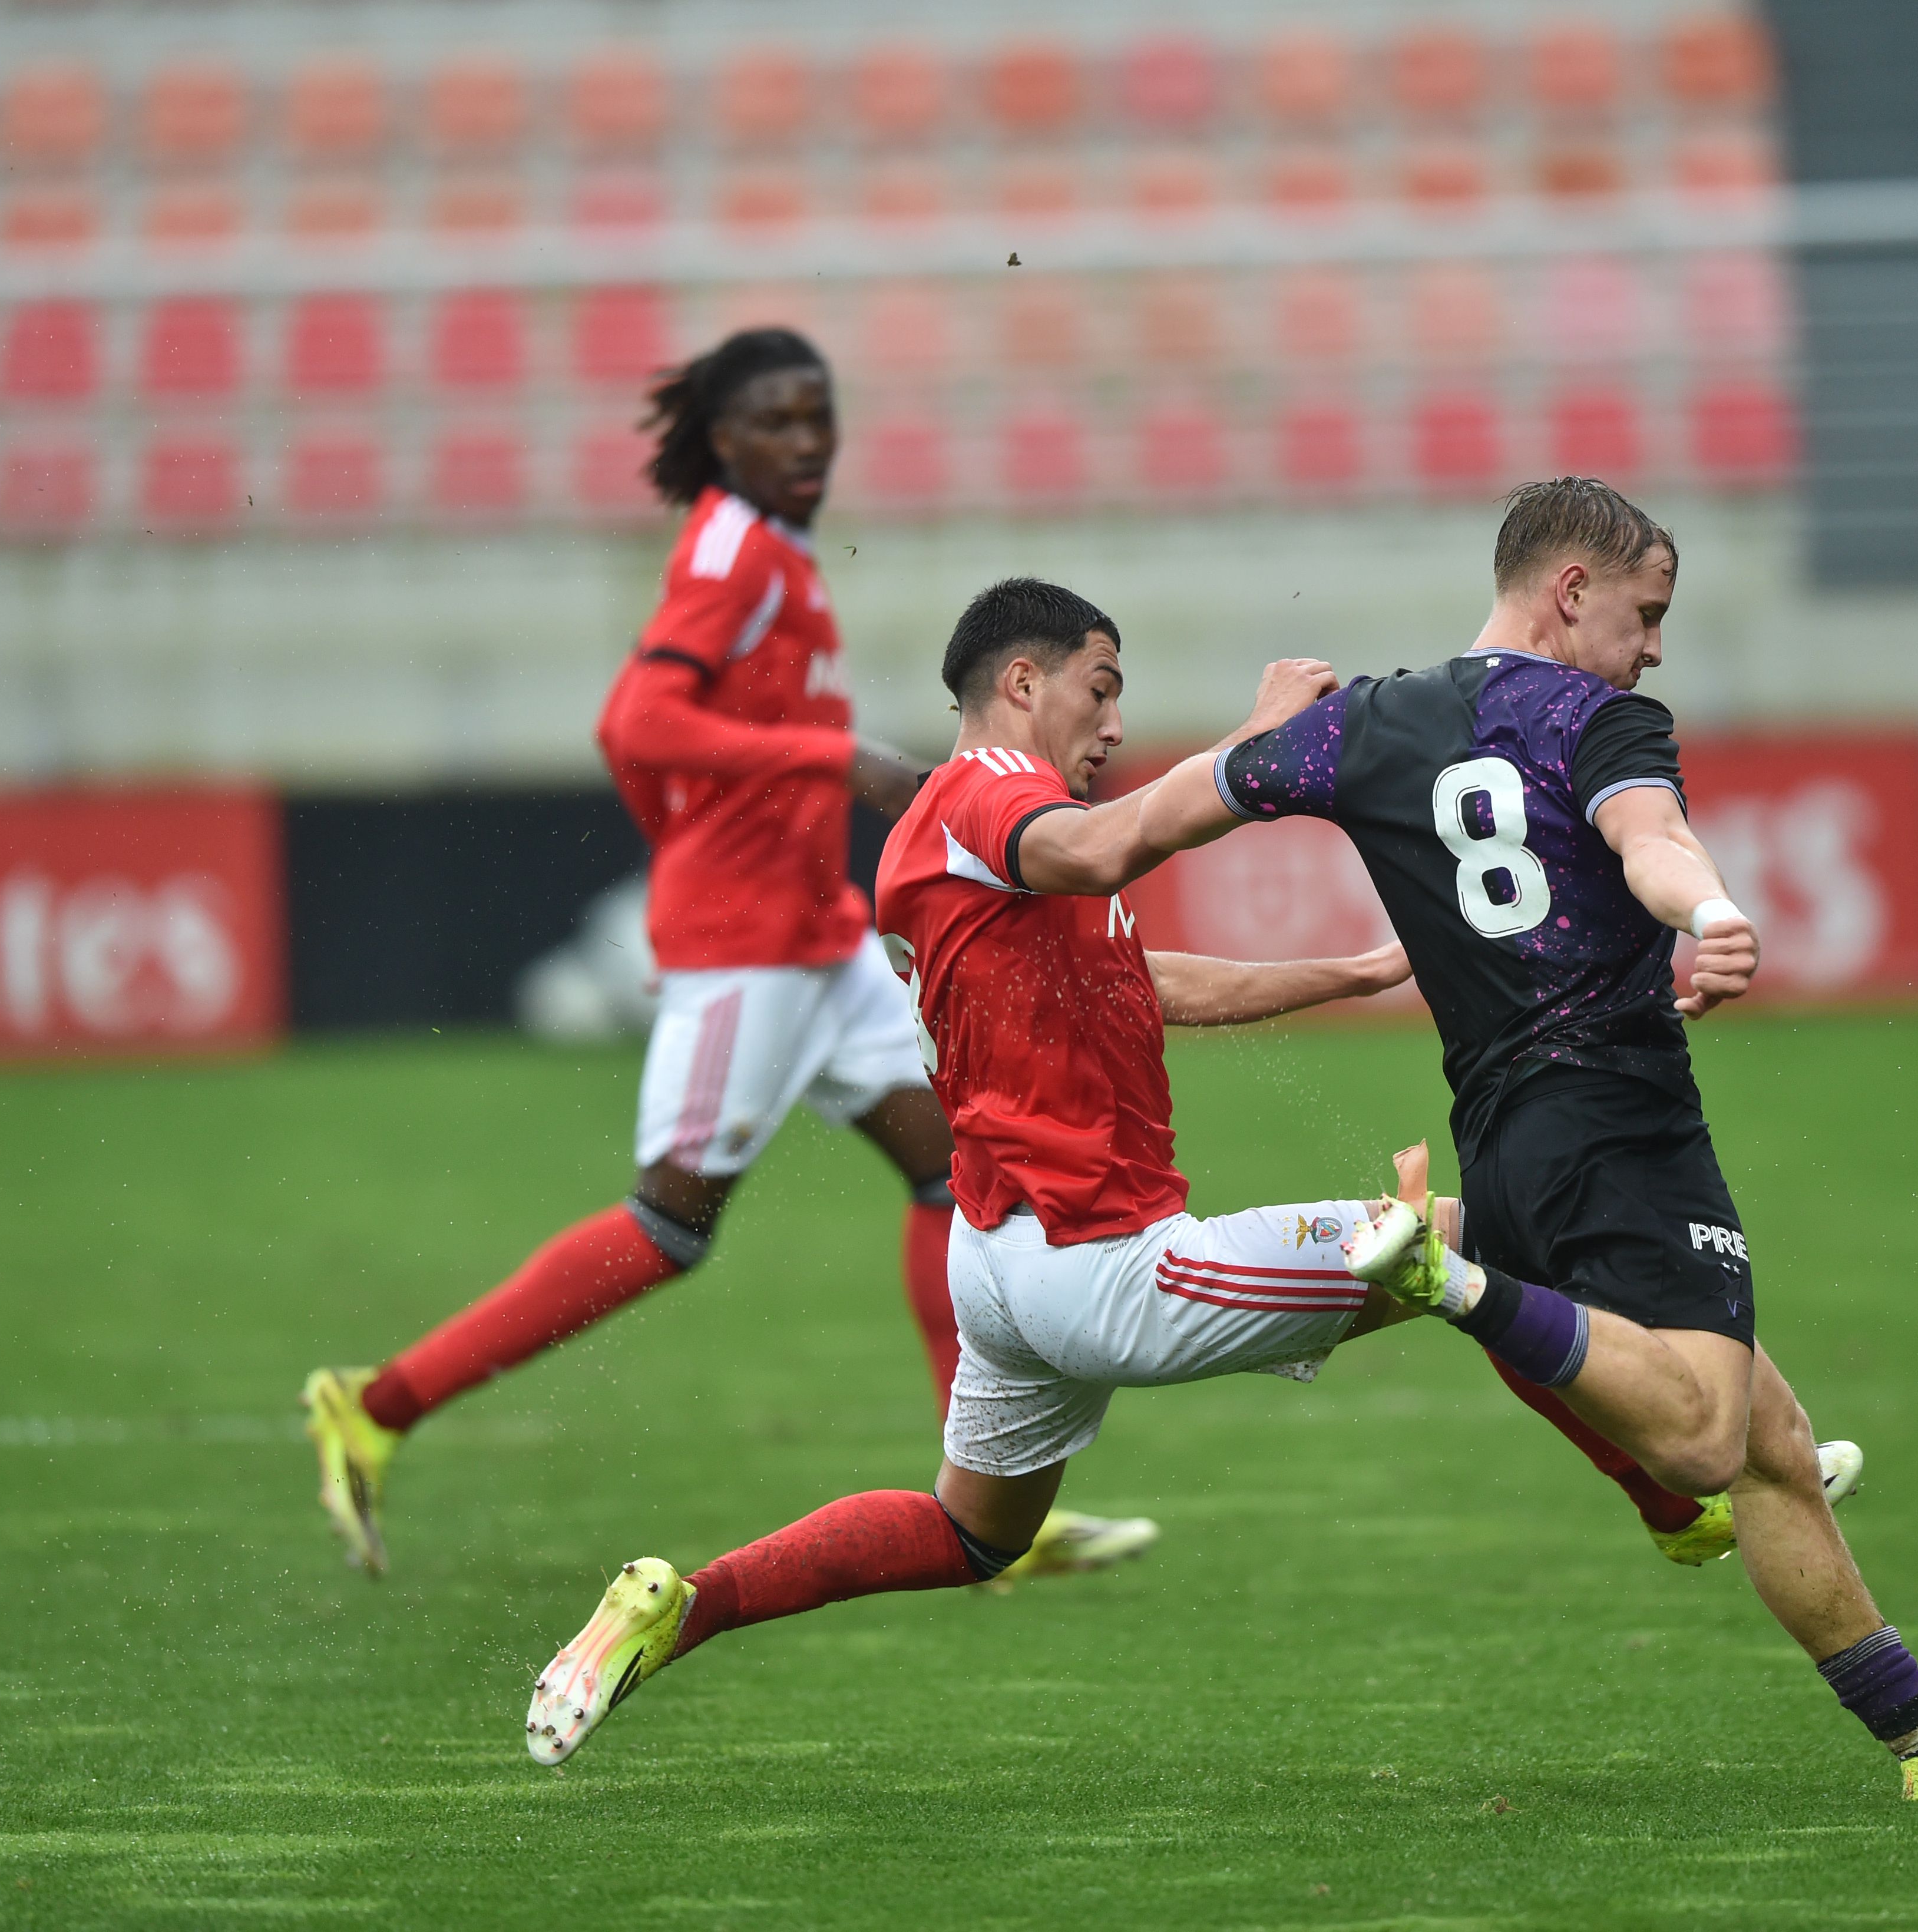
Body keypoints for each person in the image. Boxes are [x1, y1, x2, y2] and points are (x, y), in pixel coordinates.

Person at [521, 580, 1493, 1768]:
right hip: (1108, 1265)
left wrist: (1353, 972)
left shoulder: (966, 845)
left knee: (971, 1532)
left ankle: (683, 1604)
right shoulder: (991, 800)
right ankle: (1690, 1491)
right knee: (1466, 1232)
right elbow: (1111, 844)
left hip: (1003, 1262)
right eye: (1102, 684)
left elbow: (1147, 980)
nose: (1115, 723)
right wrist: (1264, 739)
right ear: (1022, 682)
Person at [1227, 476, 1918, 1803]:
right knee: (1701, 1439)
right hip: (1624, 1130)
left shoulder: (1362, 722)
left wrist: (1236, 748)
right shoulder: (1600, 715)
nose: (1653, 646)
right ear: (1571, 592)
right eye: (1645, 612)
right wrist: (1709, 909)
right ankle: (1449, 1279)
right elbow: (1655, 838)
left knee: (1775, 1449)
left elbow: (1144, 825)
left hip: (1505, 1140)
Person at [299, 333, 1151, 1584]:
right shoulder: (730, 546)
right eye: (775, 421)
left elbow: (685, 738)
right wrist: (819, 769)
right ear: (723, 439)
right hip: (749, 949)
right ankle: (378, 1403)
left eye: (819, 416)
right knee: (669, 1226)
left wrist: (733, 805)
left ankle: (982, 1495)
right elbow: (635, 720)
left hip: (816, 935)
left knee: (952, 1166)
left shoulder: (776, 549)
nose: (806, 441)